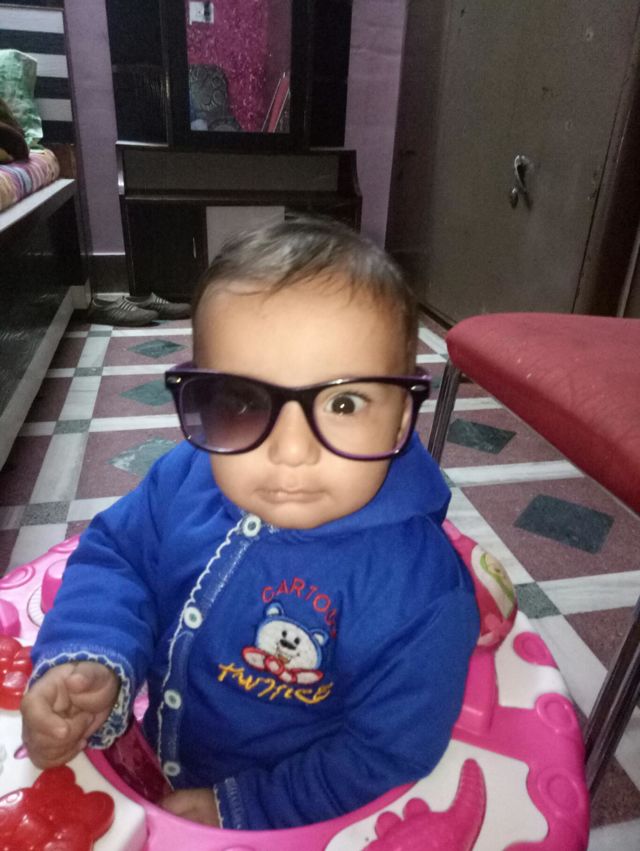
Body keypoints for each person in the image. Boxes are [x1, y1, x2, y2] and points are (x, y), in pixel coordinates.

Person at [21, 217, 480, 831]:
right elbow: (117, 556)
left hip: (290, 816)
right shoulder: (185, 476)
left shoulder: (419, 591)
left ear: (401, 418)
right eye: (242, 399)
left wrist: (247, 807)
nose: (291, 450)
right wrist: (92, 655)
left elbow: (387, 750)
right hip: (154, 757)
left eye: (344, 403)